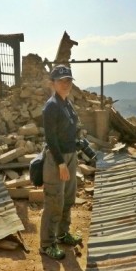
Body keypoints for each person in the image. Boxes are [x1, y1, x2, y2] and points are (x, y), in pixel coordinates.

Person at [39, 64, 83, 260]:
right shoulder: (52, 106)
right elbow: (50, 138)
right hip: (57, 159)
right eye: (61, 81)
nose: (66, 84)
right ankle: (47, 244)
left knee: (67, 197)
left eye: (68, 80)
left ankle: (63, 233)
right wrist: (60, 163)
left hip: (70, 155)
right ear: (52, 83)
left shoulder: (67, 103)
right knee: (54, 201)